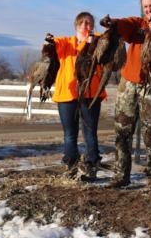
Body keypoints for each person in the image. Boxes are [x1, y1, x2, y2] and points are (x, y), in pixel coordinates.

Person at [100, 0, 151, 193]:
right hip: (129, 83)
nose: (149, 10)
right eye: (146, 6)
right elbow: (124, 25)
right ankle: (121, 174)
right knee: (122, 131)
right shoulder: (136, 24)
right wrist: (112, 23)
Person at [50, 11, 107, 182]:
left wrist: (92, 43)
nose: (85, 26)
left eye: (89, 23)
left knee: (90, 132)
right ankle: (71, 165)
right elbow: (50, 46)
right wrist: (48, 41)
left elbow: (106, 47)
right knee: (69, 133)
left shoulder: (98, 41)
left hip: (90, 94)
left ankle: (91, 166)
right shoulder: (66, 43)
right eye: (82, 23)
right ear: (76, 25)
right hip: (67, 94)